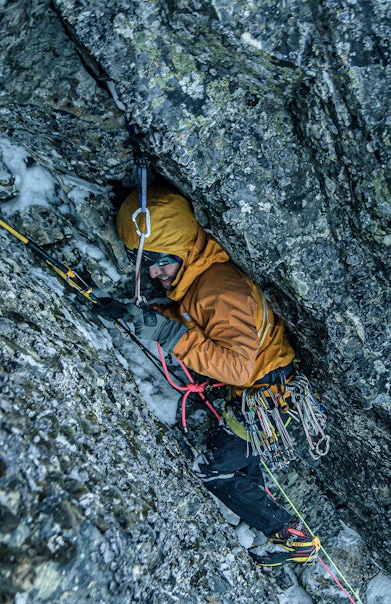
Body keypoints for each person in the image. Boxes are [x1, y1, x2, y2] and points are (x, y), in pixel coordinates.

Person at [107, 186, 319, 566]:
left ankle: (292, 537)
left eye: (161, 261)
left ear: (182, 251)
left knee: (215, 471)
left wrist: (166, 332)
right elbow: (196, 324)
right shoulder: (200, 282)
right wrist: (138, 317)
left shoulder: (218, 289)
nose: (154, 273)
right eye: (147, 263)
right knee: (240, 463)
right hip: (266, 393)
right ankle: (274, 529)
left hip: (267, 396)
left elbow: (238, 367)